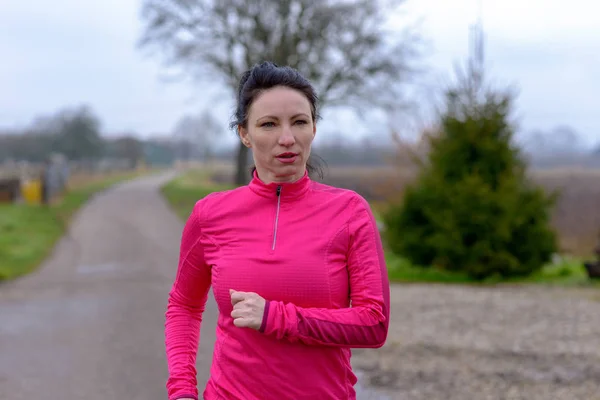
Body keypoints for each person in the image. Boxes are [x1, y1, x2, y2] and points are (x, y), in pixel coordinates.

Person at [164, 61, 390, 400]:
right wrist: (182, 390)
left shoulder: (350, 212)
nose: (287, 138)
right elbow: (184, 304)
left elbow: (374, 323)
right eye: (268, 124)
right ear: (244, 134)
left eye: (299, 122)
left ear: (314, 128)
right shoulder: (210, 215)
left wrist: (275, 316)